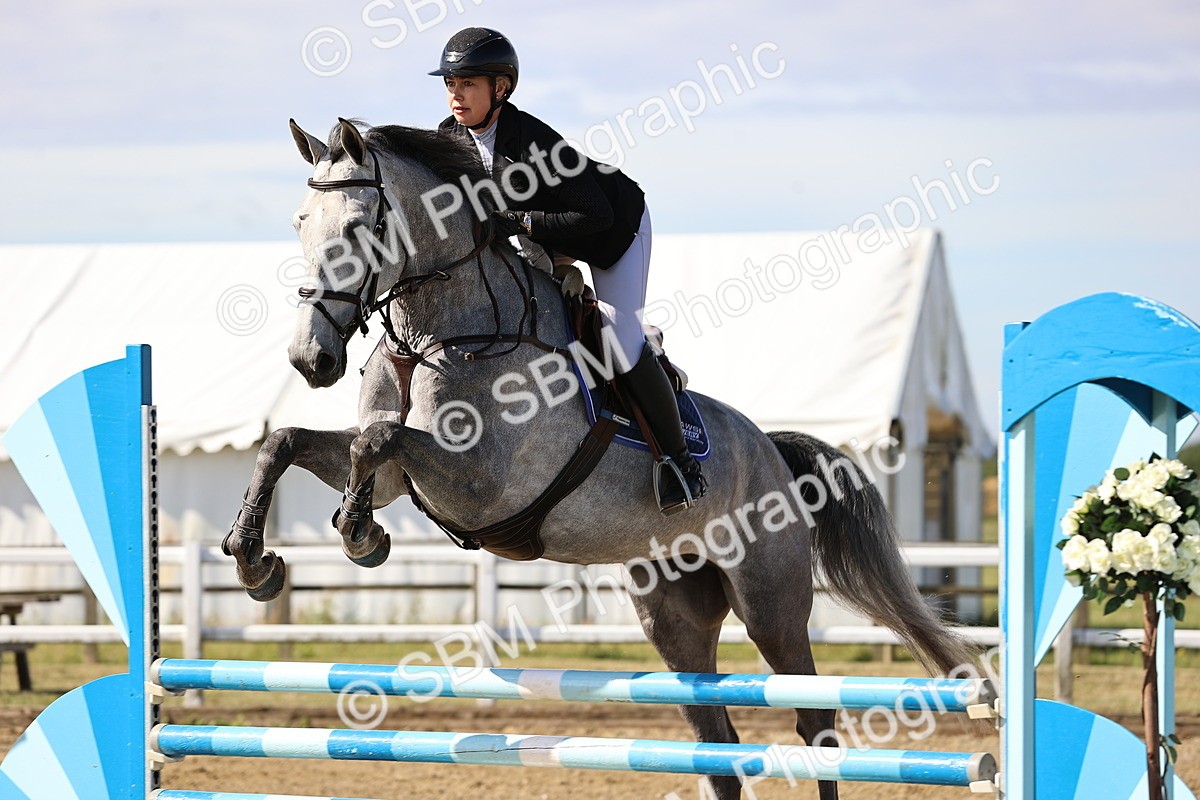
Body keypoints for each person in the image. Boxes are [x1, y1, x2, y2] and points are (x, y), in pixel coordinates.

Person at [430, 27, 705, 515]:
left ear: (500, 88)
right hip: (547, 239)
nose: (456, 94)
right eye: (451, 83)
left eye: (468, 83)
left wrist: (523, 222)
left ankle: (680, 464)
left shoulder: (533, 140)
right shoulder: (449, 139)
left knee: (620, 344)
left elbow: (594, 214)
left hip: (613, 230)